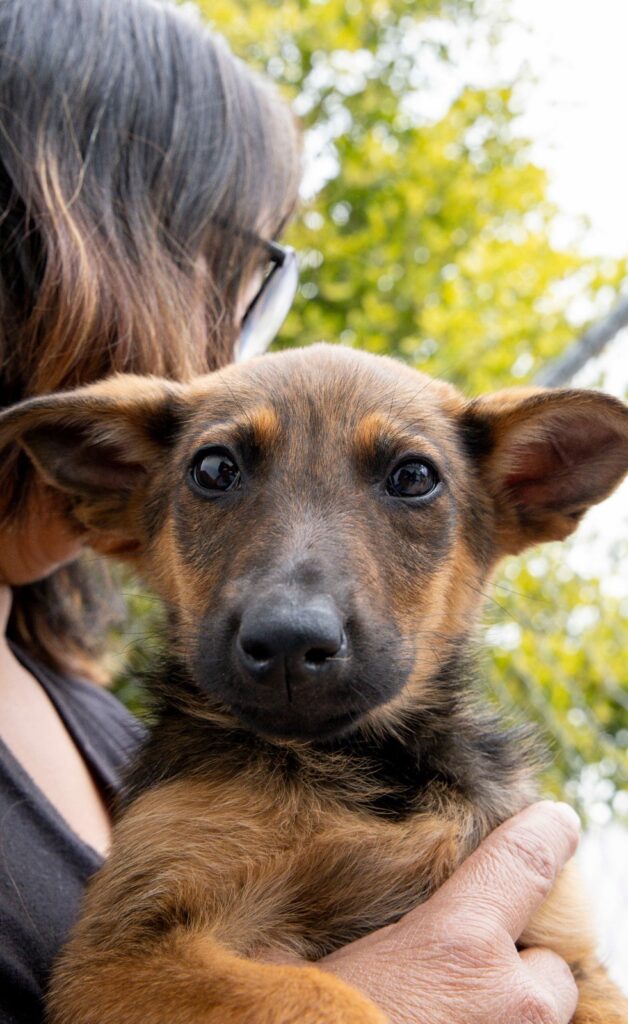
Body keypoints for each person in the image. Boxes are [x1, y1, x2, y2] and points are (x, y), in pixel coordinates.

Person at [0, 1, 579, 1022]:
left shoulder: (85, 709)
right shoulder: (186, 783)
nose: (242, 337)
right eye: (250, 275)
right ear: (74, 252)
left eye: (409, 480)